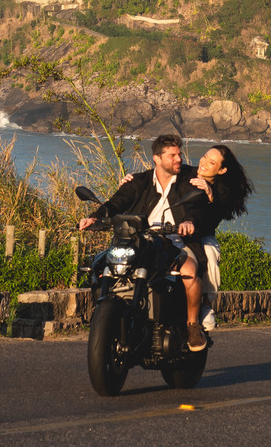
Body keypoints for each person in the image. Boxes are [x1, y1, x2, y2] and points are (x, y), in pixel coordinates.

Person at [78, 134, 210, 350]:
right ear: (157, 159)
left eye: (179, 154)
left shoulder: (189, 179)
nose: (179, 159)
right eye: (172, 155)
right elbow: (116, 202)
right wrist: (95, 217)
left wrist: (189, 221)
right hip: (139, 242)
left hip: (176, 242)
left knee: (188, 271)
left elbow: (198, 207)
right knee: (101, 266)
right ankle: (112, 317)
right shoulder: (139, 181)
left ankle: (193, 325)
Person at [186, 144, 254, 331]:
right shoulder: (187, 174)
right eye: (205, 157)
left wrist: (209, 194)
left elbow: (215, 216)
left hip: (203, 234)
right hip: (179, 231)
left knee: (209, 253)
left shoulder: (223, 190)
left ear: (222, 170)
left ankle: (206, 305)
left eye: (212, 162)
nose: (204, 163)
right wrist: (133, 179)